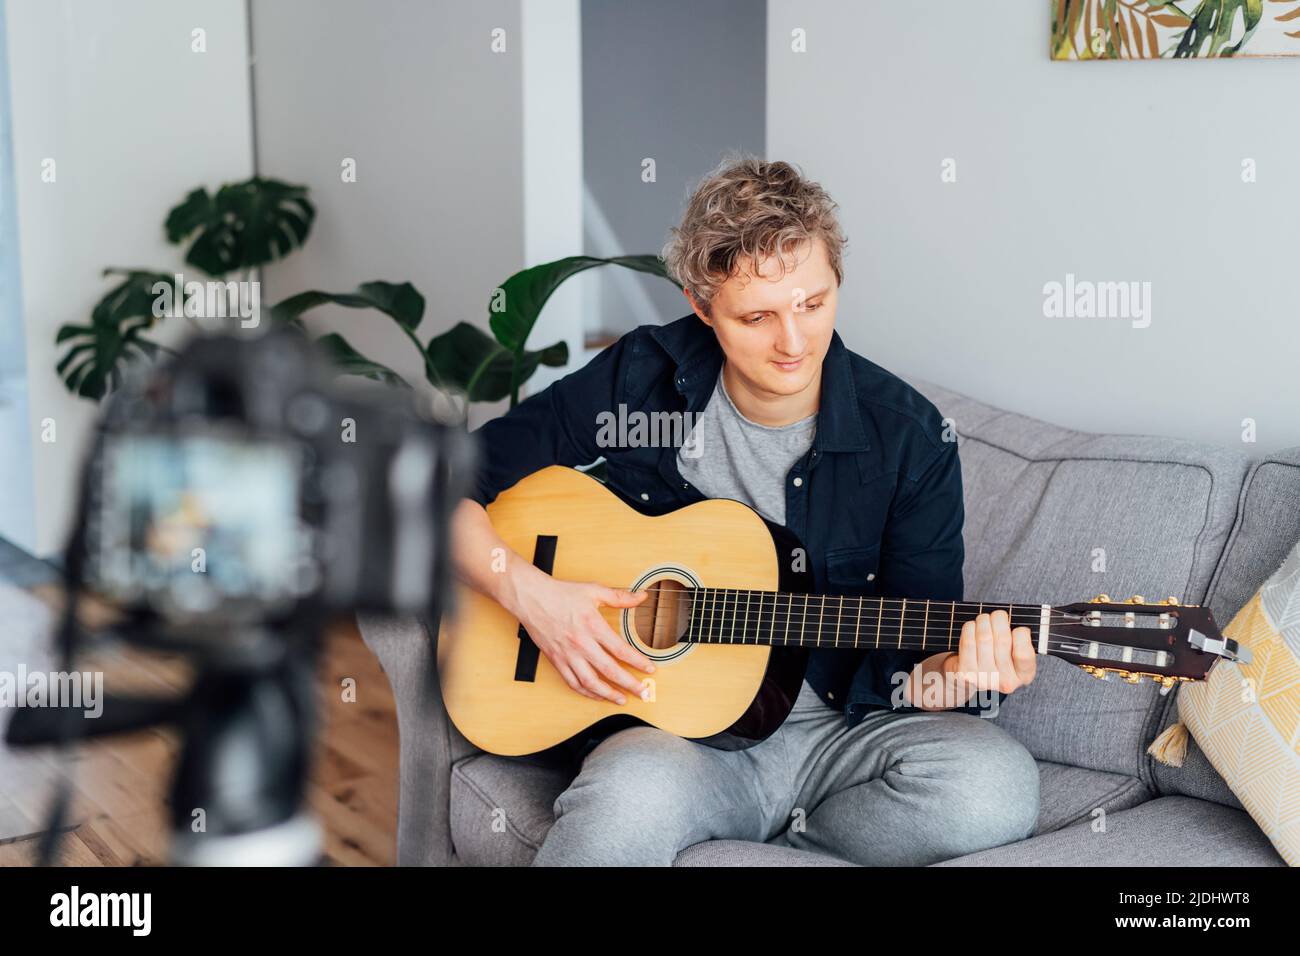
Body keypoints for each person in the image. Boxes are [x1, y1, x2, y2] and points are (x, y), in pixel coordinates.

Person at [451, 155, 1040, 866]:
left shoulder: (911, 442)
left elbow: (913, 672)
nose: (793, 342)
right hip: (678, 740)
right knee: (623, 807)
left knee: (996, 786)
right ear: (703, 305)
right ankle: (713, 820)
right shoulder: (642, 378)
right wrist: (537, 598)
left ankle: (774, 843)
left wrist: (963, 675)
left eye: (812, 304)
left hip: (838, 739)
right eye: (757, 316)